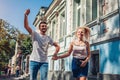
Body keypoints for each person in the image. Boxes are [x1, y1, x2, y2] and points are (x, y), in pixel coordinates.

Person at [24, 9, 60, 80]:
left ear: (47, 28)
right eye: (42, 26)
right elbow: (26, 26)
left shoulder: (48, 38)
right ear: (39, 28)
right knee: (33, 78)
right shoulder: (35, 34)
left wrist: (55, 53)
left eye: (45, 26)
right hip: (34, 60)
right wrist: (25, 16)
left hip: (44, 62)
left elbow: (57, 46)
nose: (44, 27)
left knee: (44, 78)